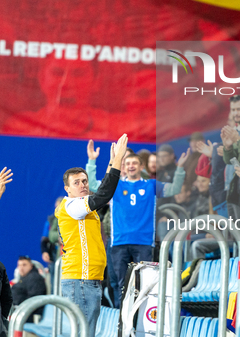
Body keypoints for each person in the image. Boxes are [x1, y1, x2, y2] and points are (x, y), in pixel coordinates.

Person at [89, 147, 188, 296]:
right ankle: (122, 316)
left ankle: (140, 317)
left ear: (142, 167)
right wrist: (92, 160)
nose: (131, 166)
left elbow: (174, 188)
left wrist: (180, 168)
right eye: (127, 163)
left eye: (134, 163)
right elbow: (93, 186)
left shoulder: (152, 185)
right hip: (120, 242)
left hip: (143, 242)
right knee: (122, 285)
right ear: (123, 167)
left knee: (143, 284)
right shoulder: (115, 185)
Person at [55, 134, 127, 337]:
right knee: (85, 334)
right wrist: (118, 161)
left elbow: (101, 190)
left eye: (85, 181)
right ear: (67, 189)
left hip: (86, 279)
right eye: (76, 183)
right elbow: (104, 194)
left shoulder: (83, 206)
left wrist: (112, 162)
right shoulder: (72, 205)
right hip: (81, 280)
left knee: (85, 332)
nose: (83, 185)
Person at [11, 256, 47, 322]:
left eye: (24, 265)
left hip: (27, 314)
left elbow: (34, 299)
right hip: (19, 311)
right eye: (19, 265)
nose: (21, 268)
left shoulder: (34, 278)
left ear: (31, 265)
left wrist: (18, 306)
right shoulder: (24, 278)